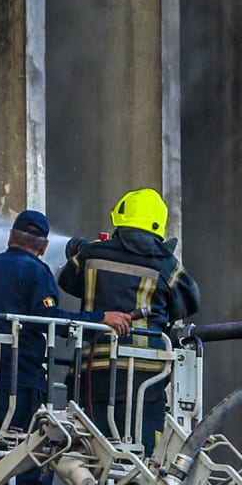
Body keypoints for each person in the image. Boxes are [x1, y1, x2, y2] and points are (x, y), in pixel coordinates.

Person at [0, 210, 132, 485]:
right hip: (20, 382)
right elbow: (50, 319)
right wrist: (101, 319)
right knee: (24, 453)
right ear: (45, 247)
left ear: (11, 236)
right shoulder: (35, 271)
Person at [58, 188, 200, 455]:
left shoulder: (92, 255)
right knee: (142, 453)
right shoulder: (166, 265)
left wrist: (87, 250)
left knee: (90, 453)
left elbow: (67, 282)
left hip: (94, 370)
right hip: (145, 376)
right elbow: (189, 301)